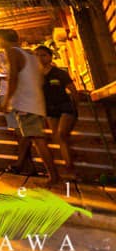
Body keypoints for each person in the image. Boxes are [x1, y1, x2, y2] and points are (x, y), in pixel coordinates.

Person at [0, 29, 58, 186]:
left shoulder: (12, 52)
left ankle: (53, 176)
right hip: (36, 102)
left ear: (3, 40)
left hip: (25, 103)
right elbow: (40, 79)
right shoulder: (31, 54)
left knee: (38, 141)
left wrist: (7, 100)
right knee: (33, 138)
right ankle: (48, 173)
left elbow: (13, 79)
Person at [36, 45, 79, 180]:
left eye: (43, 55)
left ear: (50, 57)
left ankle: (70, 169)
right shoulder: (35, 76)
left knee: (61, 134)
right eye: (37, 55)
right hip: (49, 110)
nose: (40, 58)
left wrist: (76, 108)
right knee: (58, 138)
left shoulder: (60, 73)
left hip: (65, 107)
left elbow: (73, 91)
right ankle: (68, 169)